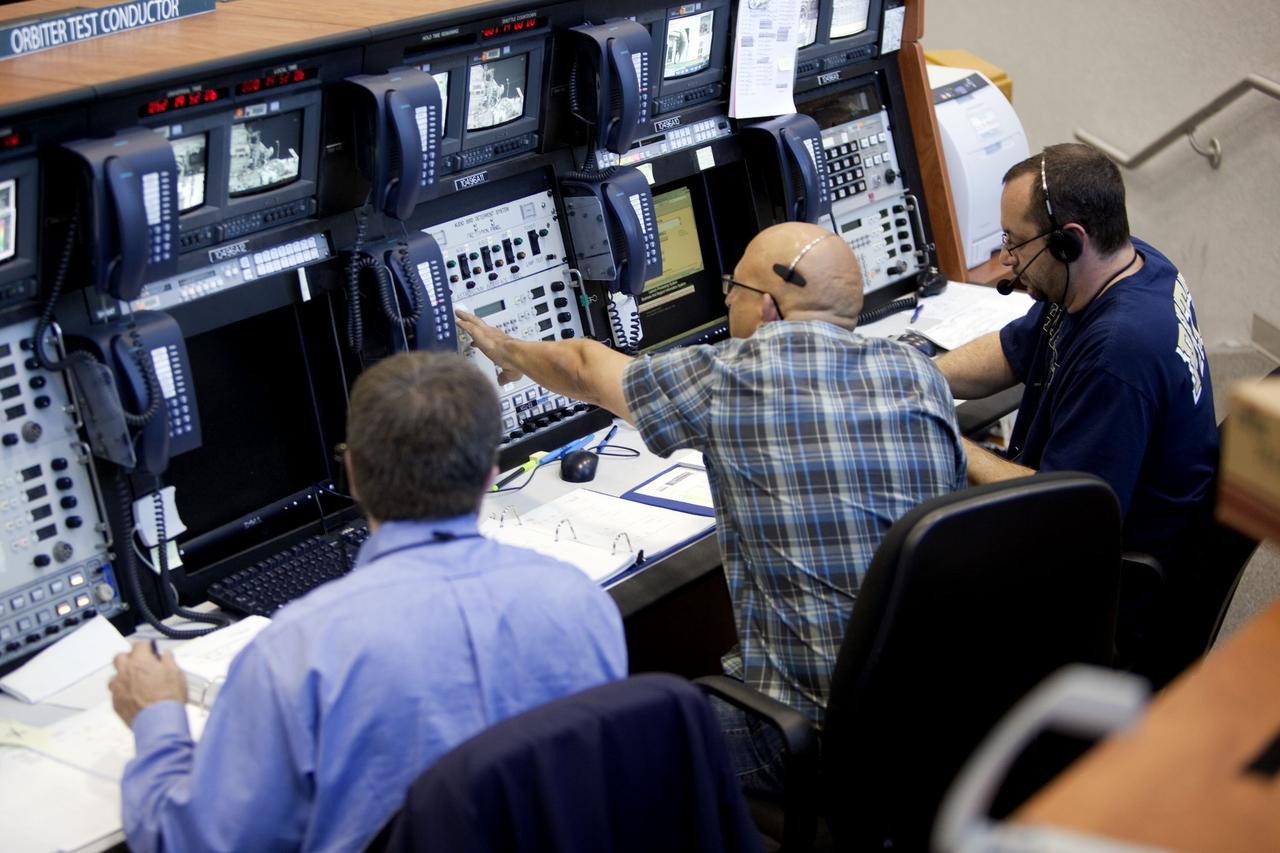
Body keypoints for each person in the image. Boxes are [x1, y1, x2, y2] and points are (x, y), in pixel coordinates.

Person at [456, 221, 965, 792]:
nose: (725, 299)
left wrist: (502, 349)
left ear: (769, 308)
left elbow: (582, 367)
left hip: (813, 744)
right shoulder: (921, 375)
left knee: (578, 753)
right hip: (932, 724)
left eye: (735, 288)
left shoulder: (732, 377)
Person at [109, 352, 628, 852]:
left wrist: (157, 717)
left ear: (353, 474)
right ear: (490, 473)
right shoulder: (579, 601)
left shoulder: (295, 655)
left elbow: (193, 843)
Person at [936, 143, 1218, 567]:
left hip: (1100, 578)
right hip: (1075, 506)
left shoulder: (1119, 353)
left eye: (1014, 241)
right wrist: (911, 374)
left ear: (1070, 241)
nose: (1006, 260)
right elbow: (1013, 351)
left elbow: (1065, 517)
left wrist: (940, 436)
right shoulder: (1124, 264)